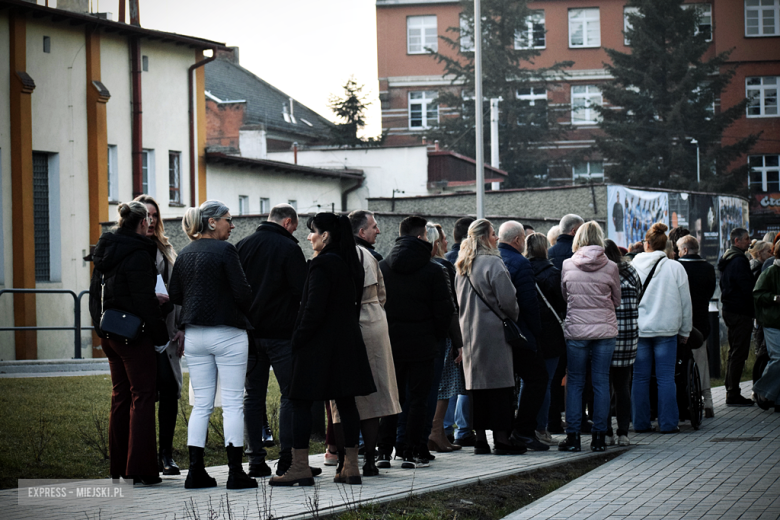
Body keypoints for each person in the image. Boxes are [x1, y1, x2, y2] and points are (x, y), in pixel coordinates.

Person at [270, 213, 377, 487]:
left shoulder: (322, 265)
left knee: (300, 402)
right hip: (347, 343)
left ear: (326, 235)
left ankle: (299, 467)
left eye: (313, 231)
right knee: (346, 402)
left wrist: (297, 339)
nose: (309, 236)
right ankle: (350, 466)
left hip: (318, 345)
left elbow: (312, 309)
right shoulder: (350, 263)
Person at [168, 200, 257, 490]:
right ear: (211, 222)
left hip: (195, 335)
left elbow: (176, 295)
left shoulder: (184, 253)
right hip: (228, 332)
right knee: (232, 403)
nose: (232, 225)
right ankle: (235, 473)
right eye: (228, 220)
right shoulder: (226, 250)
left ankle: (195, 472)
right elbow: (243, 293)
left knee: (201, 405)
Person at [88, 201, 171, 485]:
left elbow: (93, 296)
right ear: (143, 223)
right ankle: (142, 469)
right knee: (143, 397)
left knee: (121, 398)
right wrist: (161, 335)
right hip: (134, 336)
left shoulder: (105, 250)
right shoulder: (138, 253)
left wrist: (99, 327)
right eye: (148, 221)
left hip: (109, 334)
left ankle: (119, 467)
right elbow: (144, 301)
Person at [236, 204, 308, 478]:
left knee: (252, 396)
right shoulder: (289, 249)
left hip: (251, 336)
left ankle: (255, 460)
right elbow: (302, 292)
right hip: (282, 334)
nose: (295, 233)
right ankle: (287, 459)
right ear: (288, 222)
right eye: (295, 227)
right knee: (290, 394)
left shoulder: (242, 245)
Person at [376, 216, 454, 468]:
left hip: (391, 342)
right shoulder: (433, 270)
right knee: (419, 398)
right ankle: (410, 451)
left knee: (392, 397)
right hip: (423, 344)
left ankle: (383, 451)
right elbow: (444, 311)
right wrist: (437, 336)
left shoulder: (383, 266)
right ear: (422, 237)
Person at [455, 219, 526, 455]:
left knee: (476, 389)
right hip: (494, 333)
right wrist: (512, 315)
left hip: (469, 334)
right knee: (500, 388)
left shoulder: (462, 266)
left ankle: (480, 440)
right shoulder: (493, 263)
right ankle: (502, 439)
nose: (496, 238)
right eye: (494, 234)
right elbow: (508, 301)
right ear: (486, 237)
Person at [558, 222, 620, 452]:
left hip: (577, 331)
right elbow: (616, 299)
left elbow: (566, 295)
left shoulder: (567, 264)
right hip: (604, 331)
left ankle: (573, 437)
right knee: (601, 382)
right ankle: (599, 437)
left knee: (574, 382)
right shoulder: (611, 266)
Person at [134, 195, 184, 477]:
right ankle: (143, 456)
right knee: (142, 395)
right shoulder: (130, 248)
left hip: (167, 332)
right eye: (146, 215)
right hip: (140, 334)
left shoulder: (165, 248)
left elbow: (179, 291)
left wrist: (181, 327)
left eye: (155, 215)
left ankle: (166, 454)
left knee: (169, 391)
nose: (151, 220)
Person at [631, 223, 692, 434]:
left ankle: (640, 423)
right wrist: (685, 331)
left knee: (639, 378)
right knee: (666, 378)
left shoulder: (633, 267)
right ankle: (667, 423)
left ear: (646, 244)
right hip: (667, 330)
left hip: (639, 330)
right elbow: (685, 303)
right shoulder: (676, 268)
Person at [496, 222, 549, 452]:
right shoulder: (520, 263)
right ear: (518, 240)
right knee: (538, 378)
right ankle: (524, 431)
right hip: (520, 333)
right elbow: (529, 303)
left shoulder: (493, 259)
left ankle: (504, 433)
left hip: (495, 333)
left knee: (507, 385)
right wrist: (536, 333)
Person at [426, 223, 465, 454]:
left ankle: (438, 432)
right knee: (445, 386)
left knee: (440, 386)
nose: (447, 243)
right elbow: (452, 305)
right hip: (445, 334)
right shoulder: (442, 266)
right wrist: (458, 339)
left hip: (427, 333)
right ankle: (436, 431)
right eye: (442, 239)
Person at [525, 232, 566, 445]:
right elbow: (562, 305)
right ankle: (541, 428)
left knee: (528, 381)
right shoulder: (553, 273)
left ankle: (527, 426)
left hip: (528, 334)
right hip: (551, 336)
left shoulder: (521, 270)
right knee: (547, 382)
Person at [603, 240, 641, 447]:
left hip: (607, 335)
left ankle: (607, 431)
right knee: (622, 386)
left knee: (604, 386)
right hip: (628, 336)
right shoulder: (631, 271)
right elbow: (639, 295)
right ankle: (624, 432)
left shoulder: (602, 272)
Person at [677, 235, 717, 418]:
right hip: (702, 321)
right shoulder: (708, 268)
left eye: (678, 249)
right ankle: (708, 401)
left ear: (684, 250)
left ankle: (685, 401)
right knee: (702, 362)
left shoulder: (678, 267)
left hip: (681, 322)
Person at [445, 217, 477, 447]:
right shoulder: (472, 261)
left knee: (448, 383)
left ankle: (446, 429)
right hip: (468, 328)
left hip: (450, 329)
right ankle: (463, 429)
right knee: (465, 382)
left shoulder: (446, 261)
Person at [718, 227, 757, 406]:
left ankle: (730, 389)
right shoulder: (739, 261)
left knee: (734, 352)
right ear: (737, 241)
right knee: (739, 353)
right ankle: (733, 393)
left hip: (729, 309)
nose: (750, 242)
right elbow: (747, 288)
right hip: (740, 311)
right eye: (747, 239)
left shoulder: (728, 258)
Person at [752, 245, 780, 411]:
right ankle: (761, 390)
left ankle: (776, 399)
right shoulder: (770, 272)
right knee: (777, 358)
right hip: (772, 321)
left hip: (774, 320)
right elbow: (757, 294)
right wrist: (775, 298)